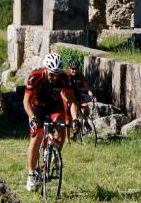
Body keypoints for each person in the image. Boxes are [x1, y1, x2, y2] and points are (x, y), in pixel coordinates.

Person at [23, 52, 75, 192]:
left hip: (54, 105)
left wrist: (75, 119)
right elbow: (26, 101)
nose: (54, 78)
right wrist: (32, 117)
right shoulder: (35, 76)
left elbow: (71, 101)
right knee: (37, 137)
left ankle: (51, 155)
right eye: (52, 74)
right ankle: (31, 174)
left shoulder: (63, 78)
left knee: (61, 131)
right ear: (46, 69)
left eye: (57, 74)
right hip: (37, 106)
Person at [66, 59, 96, 136]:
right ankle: (72, 134)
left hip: (77, 94)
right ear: (69, 68)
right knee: (72, 116)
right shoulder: (66, 76)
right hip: (68, 96)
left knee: (86, 107)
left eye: (76, 69)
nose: (74, 71)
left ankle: (85, 121)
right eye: (72, 69)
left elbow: (86, 85)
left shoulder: (80, 75)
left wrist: (90, 92)